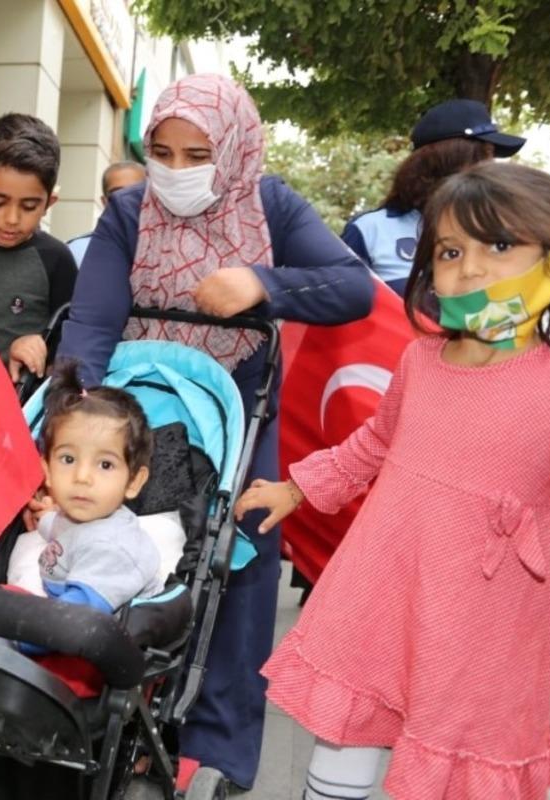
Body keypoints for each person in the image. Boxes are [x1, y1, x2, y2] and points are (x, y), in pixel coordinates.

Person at [238, 162, 550, 800]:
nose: (470, 268)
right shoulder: (420, 359)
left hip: (480, 623)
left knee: (456, 765)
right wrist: (298, 488)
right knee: (345, 740)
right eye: (450, 250)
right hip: (381, 593)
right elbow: (376, 441)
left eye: (499, 245)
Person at [54, 73, 374, 791]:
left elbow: (351, 287)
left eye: (194, 153)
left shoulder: (272, 205)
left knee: (242, 552)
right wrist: (76, 409)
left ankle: (220, 746)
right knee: (104, 540)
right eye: (159, 151)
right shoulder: (129, 212)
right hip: (137, 407)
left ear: (231, 148)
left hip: (234, 410)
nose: (174, 171)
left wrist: (264, 283)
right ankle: (101, 703)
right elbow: (96, 318)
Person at [342, 99, 525, 296]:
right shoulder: (370, 230)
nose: (490, 169)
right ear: (452, 159)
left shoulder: (499, 230)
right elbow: (344, 307)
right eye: (485, 156)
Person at [31, 363, 161, 617]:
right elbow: (57, 527)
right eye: (68, 459)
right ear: (47, 471)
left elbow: (69, 623)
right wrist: (46, 514)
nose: (82, 477)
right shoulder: (72, 515)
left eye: (105, 464)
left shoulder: (111, 550)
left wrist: (12, 637)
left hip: (89, 633)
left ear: (134, 481)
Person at [0, 113, 77, 381]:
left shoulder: (55, 259)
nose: (12, 219)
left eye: (29, 206)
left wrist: (38, 346)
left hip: (19, 411)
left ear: (49, 203)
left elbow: (70, 342)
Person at [66, 160, 147, 267]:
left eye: (134, 193)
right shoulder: (75, 252)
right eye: (117, 195)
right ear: (104, 202)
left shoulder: (168, 250)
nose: (126, 201)